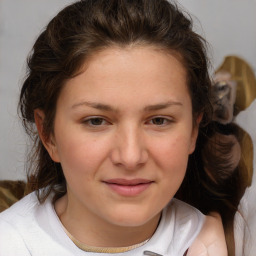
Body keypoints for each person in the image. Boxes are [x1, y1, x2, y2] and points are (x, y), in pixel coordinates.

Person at [0, 0, 245, 255]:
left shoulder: (225, 240)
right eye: (96, 121)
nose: (130, 157)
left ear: (193, 131)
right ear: (48, 134)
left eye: (159, 120)